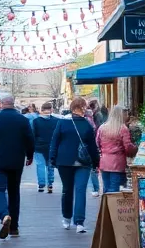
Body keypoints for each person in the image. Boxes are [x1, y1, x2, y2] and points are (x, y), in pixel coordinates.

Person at [0, 94, 34, 239]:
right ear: (13, 104)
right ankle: (14, 228)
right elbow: (30, 139)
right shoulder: (22, 120)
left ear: (1, 104)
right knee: (14, 192)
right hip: (16, 160)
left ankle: (4, 215)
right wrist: (30, 156)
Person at [49, 95, 100, 233]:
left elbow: (55, 141)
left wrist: (52, 158)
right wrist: (96, 162)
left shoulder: (62, 123)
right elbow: (92, 147)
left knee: (67, 190)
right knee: (80, 191)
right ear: (82, 108)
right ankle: (79, 223)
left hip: (64, 161)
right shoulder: (87, 124)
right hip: (83, 162)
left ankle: (66, 219)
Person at [95, 105, 138, 194]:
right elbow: (128, 147)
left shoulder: (102, 127)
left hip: (104, 162)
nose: (127, 116)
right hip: (117, 163)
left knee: (106, 190)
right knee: (114, 191)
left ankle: (105, 208)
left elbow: (97, 142)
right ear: (121, 115)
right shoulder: (122, 128)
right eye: (126, 114)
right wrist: (136, 149)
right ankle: (112, 208)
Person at [31, 102, 58, 193]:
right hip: (52, 147)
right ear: (51, 109)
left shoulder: (36, 121)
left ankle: (41, 185)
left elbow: (33, 135)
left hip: (39, 147)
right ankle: (50, 185)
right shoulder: (56, 121)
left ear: (42, 110)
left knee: (40, 166)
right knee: (50, 166)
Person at [86, 100, 102, 197]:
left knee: (92, 168)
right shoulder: (94, 116)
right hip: (94, 145)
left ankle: (96, 188)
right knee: (93, 168)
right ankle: (96, 188)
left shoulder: (96, 116)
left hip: (92, 145)